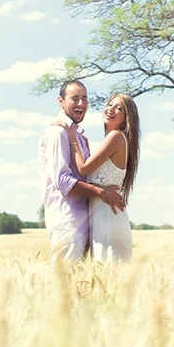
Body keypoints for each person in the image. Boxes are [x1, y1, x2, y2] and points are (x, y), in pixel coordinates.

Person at [38, 80, 125, 264]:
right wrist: (102, 193)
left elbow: (86, 172)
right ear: (61, 101)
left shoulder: (77, 136)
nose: (81, 104)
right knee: (64, 285)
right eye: (74, 98)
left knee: (79, 287)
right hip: (67, 220)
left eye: (84, 98)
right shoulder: (58, 132)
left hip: (86, 221)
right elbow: (62, 181)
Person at [55, 93, 140, 262]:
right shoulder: (112, 139)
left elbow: (83, 168)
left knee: (110, 271)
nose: (111, 109)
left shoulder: (115, 137)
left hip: (108, 215)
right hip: (100, 215)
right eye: (110, 104)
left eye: (119, 108)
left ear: (126, 118)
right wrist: (83, 145)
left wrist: (72, 137)